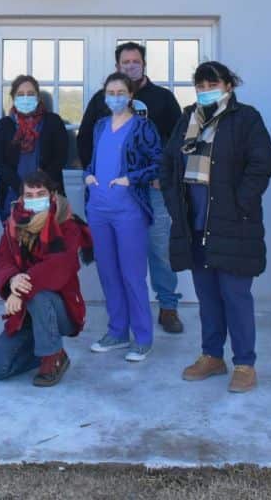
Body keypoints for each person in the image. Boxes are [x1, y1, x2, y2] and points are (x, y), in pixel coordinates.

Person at [162, 61, 271, 394]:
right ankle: (212, 356)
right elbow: (169, 163)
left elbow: (262, 163)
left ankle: (245, 363)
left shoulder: (246, 118)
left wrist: (240, 203)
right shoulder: (187, 119)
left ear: (228, 85)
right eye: (200, 85)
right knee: (207, 295)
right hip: (194, 222)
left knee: (235, 294)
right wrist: (174, 206)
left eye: (212, 84)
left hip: (232, 223)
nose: (205, 90)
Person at [77, 42, 185, 334]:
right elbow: (86, 137)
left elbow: (177, 140)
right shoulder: (103, 99)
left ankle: (167, 306)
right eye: (125, 62)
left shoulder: (162, 98)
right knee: (117, 255)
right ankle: (123, 317)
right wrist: (92, 175)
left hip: (152, 187)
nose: (130, 66)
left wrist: (163, 174)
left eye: (135, 61)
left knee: (158, 247)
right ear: (117, 66)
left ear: (144, 64)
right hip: (115, 193)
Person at [0, 170, 93, 386]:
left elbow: (59, 266)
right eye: (30, 195)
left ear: (52, 196)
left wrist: (19, 289)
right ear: (22, 198)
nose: (35, 199)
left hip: (60, 309)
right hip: (26, 313)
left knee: (39, 294)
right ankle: (48, 346)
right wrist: (11, 279)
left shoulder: (67, 224)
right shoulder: (13, 224)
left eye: (41, 194)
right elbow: (2, 259)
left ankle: (52, 357)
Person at [85, 72, 163, 362]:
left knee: (132, 274)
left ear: (131, 95)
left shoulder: (143, 126)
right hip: (99, 208)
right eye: (110, 91)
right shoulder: (100, 125)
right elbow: (95, 157)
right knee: (108, 272)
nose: (115, 97)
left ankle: (142, 338)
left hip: (129, 209)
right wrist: (88, 175)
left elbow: (159, 162)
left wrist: (132, 178)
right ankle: (117, 332)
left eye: (120, 92)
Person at [0, 75, 69, 223]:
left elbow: (61, 157)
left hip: (48, 195)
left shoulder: (53, 122)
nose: (26, 98)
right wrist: (21, 189)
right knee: (16, 243)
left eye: (31, 94)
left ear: (38, 97)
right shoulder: (3, 126)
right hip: (13, 197)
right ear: (13, 98)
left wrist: (40, 186)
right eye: (20, 94)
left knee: (49, 243)